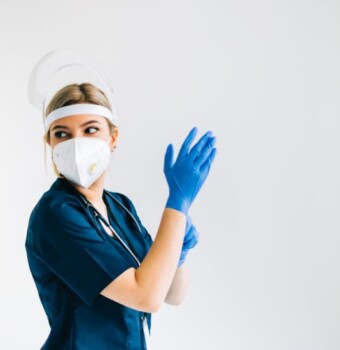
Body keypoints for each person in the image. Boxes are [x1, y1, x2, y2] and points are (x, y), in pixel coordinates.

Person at [25, 82, 217, 349]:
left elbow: (171, 294)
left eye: (90, 129)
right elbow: (145, 295)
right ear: (50, 143)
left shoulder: (120, 206)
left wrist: (179, 253)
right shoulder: (56, 215)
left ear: (112, 138)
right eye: (62, 133)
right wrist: (177, 203)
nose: (77, 143)